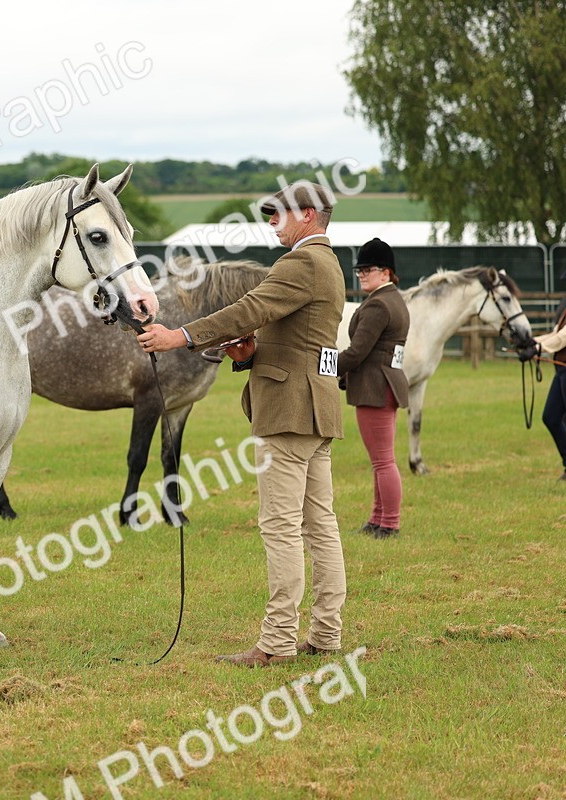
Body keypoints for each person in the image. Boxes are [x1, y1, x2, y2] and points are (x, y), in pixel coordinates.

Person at [136, 180, 346, 667]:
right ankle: (326, 633)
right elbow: (300, 338)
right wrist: (252, 353)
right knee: (320, 526)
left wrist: (180, 336)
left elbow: (249, 309)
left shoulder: (300, 263)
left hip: (289, 411)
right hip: (316, 408)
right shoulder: (330, 264)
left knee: (280, 527)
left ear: (309, 214)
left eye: (280, 214)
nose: (272, 222)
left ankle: (275, 644)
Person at [338, 238, 409, 539]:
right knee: (381, 459)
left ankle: (389, 523)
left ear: (386, 272)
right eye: (359, 270)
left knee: (383, 461)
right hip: (385, 384)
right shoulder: (393, 299)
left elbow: (356, 352)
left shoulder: (379, 304)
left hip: (375, 387)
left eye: (368, 269)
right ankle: (377, 519)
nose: (362, 274)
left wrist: (323, 367)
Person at [534, 293, 566, 479]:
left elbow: (563, 338)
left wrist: (538, 349)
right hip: (561, 370)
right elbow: (555, 335)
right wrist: (531, 342)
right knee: (551, 416)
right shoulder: (564, 309)